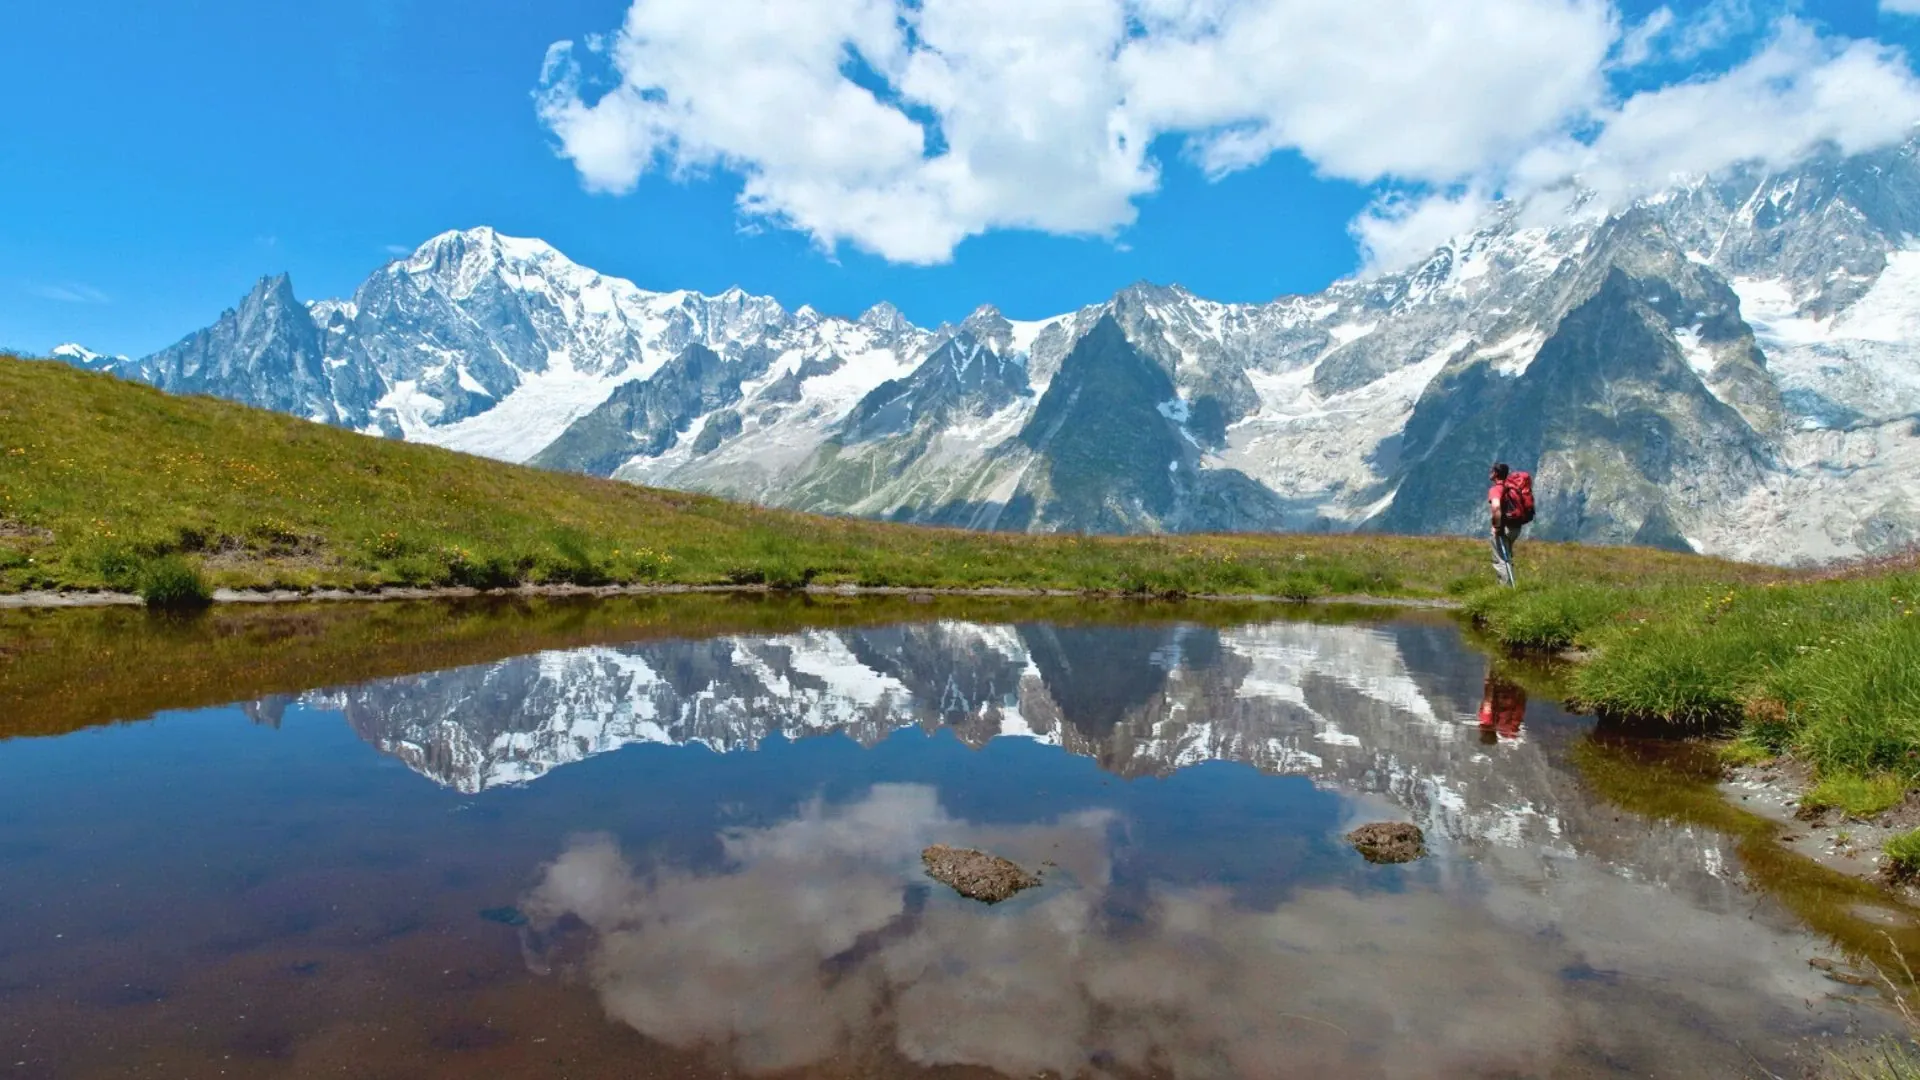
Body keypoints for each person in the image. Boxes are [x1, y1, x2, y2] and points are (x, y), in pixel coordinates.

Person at [1488, 462, 1523, 588]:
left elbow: (1496, 507)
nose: (1489, 472)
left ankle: (1506, 589)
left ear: (1496, 474)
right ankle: (1510, 585)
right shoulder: (1511, 488)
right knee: (1507, 557)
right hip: (1515, 528)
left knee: (1500, 560)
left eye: (1491, 470)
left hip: (1503, 528)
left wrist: (1497, 527)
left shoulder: (1496, 489)